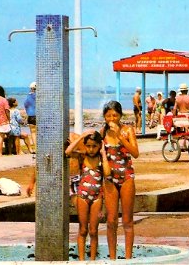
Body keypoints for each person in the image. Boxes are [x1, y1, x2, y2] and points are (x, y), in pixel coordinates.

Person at [100, 101, 139, 259]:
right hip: (110, 179)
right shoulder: (102, 132)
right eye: (108, 115)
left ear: (120, 116)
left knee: (128, 220)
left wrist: (120, 138)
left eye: (115, 115)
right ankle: (112, 258)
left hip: (126, 177)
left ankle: (128, 258)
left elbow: (135, 153)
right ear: (104, 116)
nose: (112, 118)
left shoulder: (127, 130)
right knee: (111, 221)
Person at [65, 130, 110, 261]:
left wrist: (103, 153)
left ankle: (92, 260)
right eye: (88, 146)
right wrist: (81, 138)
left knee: (94, 231)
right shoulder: (82, 157)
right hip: (82, 197)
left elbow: (107, 174)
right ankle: (81, 260)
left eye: (94, 146)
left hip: (97, 198)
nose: (91, 149)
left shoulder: (101, 159)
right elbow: (68, 152)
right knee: (83, 230)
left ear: (99, 146)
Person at [23, 82, 37, 150]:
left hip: (31, 116)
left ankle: (36, 148)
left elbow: (26, 105)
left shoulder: (28, 96)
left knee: (33, 133)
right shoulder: (41, 96)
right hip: (40, 116)